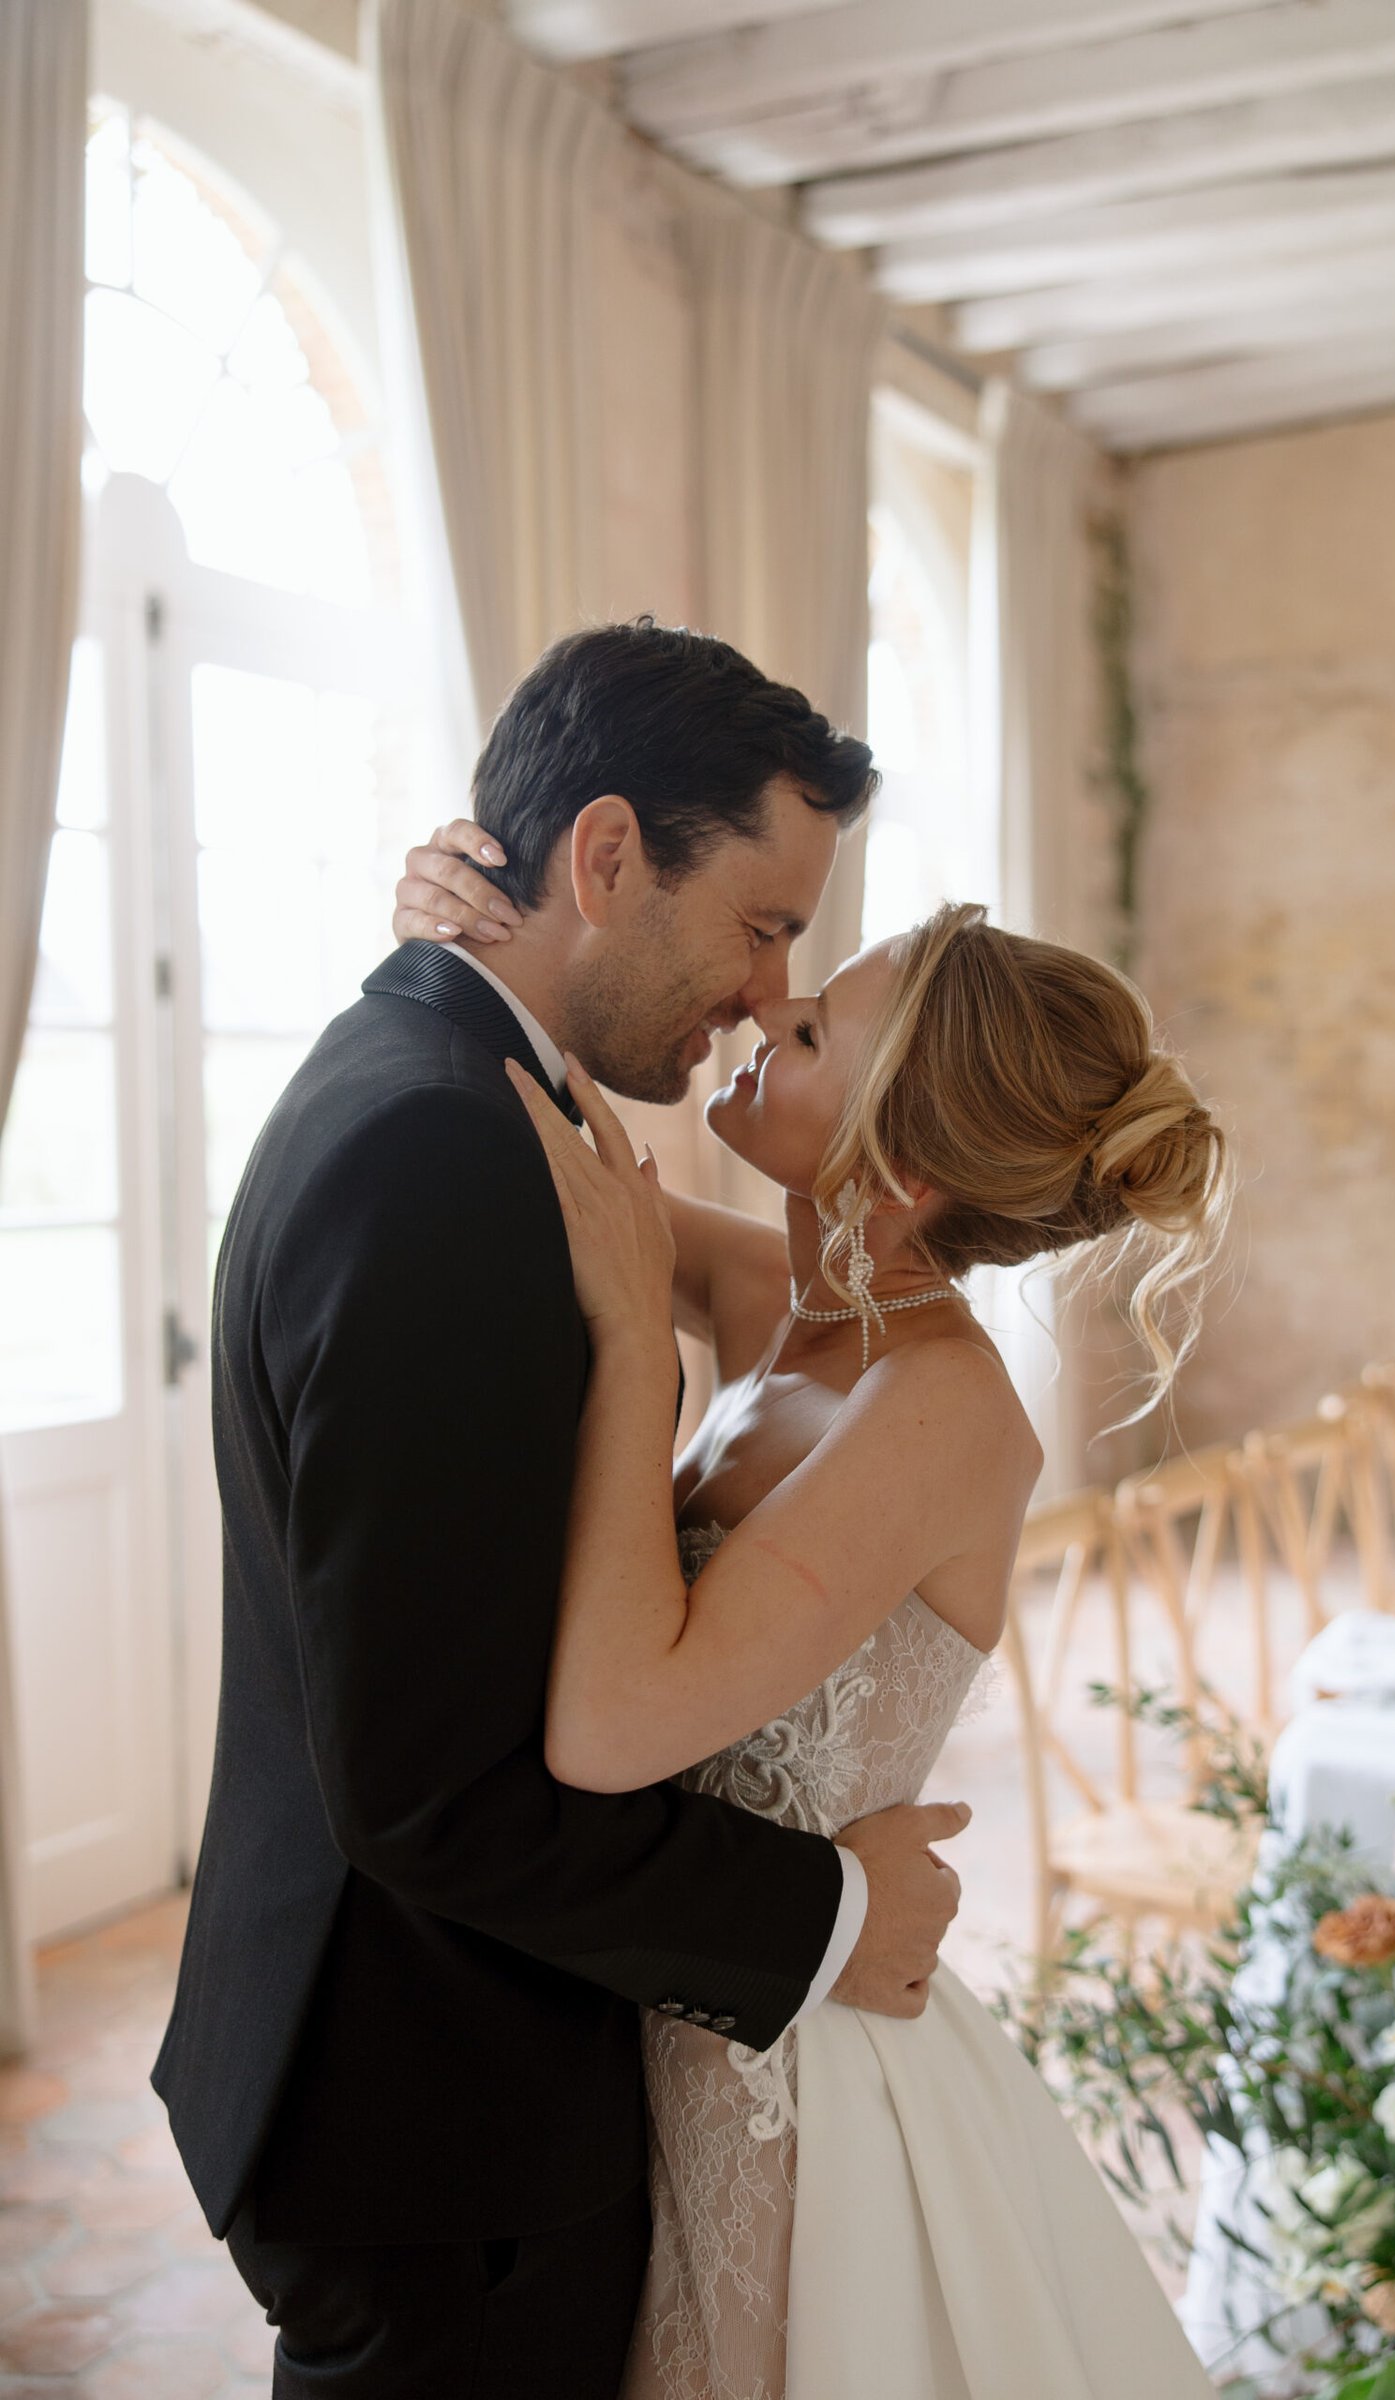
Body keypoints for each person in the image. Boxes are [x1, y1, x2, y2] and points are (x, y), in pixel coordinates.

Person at [153, 621, 973, 2400]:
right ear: (606, 856)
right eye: (762, 927)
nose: (768, 993)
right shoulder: (441, 1149)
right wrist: (824, 1918)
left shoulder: (458, 1088)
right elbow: (432, 1788)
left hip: (435, 2072)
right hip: (438, 2105)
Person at [397, 810, 1231, 2397]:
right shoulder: (785, 1293)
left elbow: (613, 1721)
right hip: (668, 1994)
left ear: (900, 1170)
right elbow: (551, 1156)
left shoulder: (939, 1414)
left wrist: (642, 1355)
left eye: (807, 1024)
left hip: (784, 2080)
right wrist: (457, 937)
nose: (756, 1011)